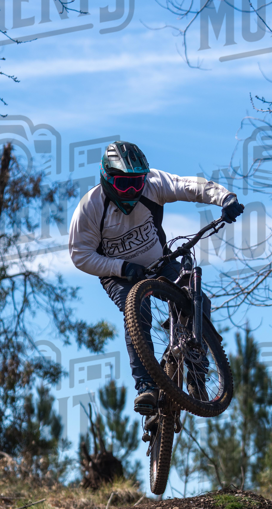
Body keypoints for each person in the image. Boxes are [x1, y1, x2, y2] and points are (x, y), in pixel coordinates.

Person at [68, 141, 244, 414]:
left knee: (198, 301)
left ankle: (196, 369)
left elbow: (188, 186)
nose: (132, 191)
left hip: (158, 262)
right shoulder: (90, 208)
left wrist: (224, 198)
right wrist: (121, 268)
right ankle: (146, 387)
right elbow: (80, 255)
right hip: (119, 275)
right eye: (123, 184)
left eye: (137, 183)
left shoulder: (153, 184)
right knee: (137, 312)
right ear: (106, 178)